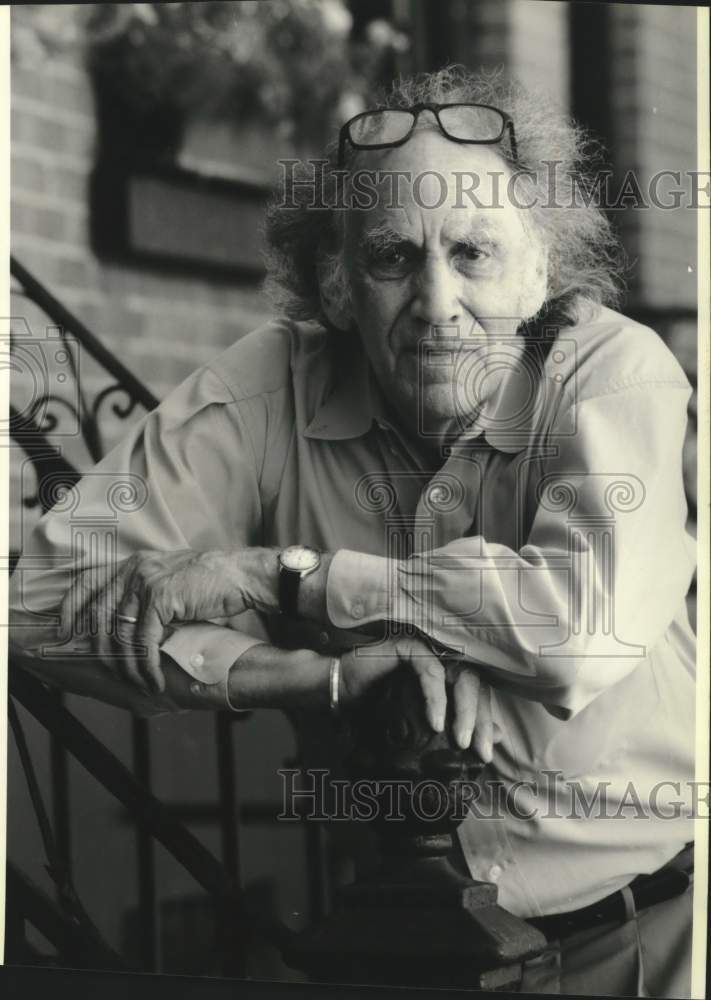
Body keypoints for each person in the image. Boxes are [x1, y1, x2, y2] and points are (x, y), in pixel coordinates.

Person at [9, 66, 697, 996]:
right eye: (391, 257)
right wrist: (316, 679)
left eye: (474, 253)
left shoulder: (612, 371)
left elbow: (579, 633)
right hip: (400, 952)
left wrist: (284, 579)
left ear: (539, 270)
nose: (437, 301)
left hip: (651, 937)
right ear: (336, 285)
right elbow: (40, 607)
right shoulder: (269, 387)